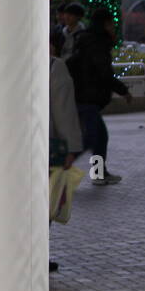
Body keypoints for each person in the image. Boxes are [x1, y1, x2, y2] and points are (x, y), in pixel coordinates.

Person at [67, 6, 133, 185]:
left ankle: (99, 173)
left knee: (100, 136)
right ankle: (65, 162)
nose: (113, 27)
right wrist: (123, 90)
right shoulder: (97, 43)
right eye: (111, 24)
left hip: (83, 96)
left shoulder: (84, 40)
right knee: (91, 137)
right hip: (88, 97)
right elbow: (103, 72)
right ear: (104, 24)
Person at [49, 27, 83, 273]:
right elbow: (63, 111)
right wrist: (70, 147)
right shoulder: (54, 67)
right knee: (45, 202)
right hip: (45, 148)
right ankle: (35, 253)